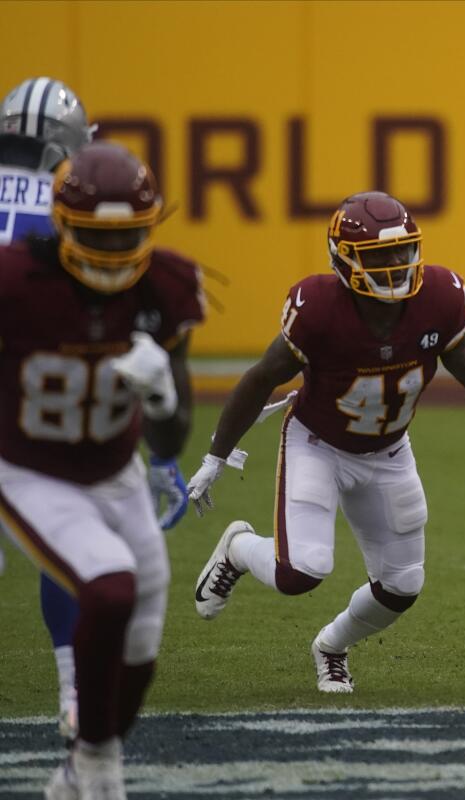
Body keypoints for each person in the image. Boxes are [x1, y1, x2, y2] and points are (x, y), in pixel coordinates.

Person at [187, 190, 465, 693]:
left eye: (402, 251)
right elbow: (261, 378)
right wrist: (217, 453)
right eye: (378, 256)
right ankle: (237, 548)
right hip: (317, 444)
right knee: (302, 571)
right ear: (343, 259)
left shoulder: (440, 296)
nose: (394, 265)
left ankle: (331, 647)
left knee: (403, 586)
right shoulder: (318, 308)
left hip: (389, 452)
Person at [0, 141, 204, 799]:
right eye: (96, 237)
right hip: (30, 469)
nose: (115, 254)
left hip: (114, 471)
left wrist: (162, 397)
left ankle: (82, 768)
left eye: (129, 237)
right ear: (61, 225)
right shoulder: (14, 282)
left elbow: (173, 432)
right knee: (110, 588)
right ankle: (101, 774)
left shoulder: (167, 287)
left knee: (142, 636)